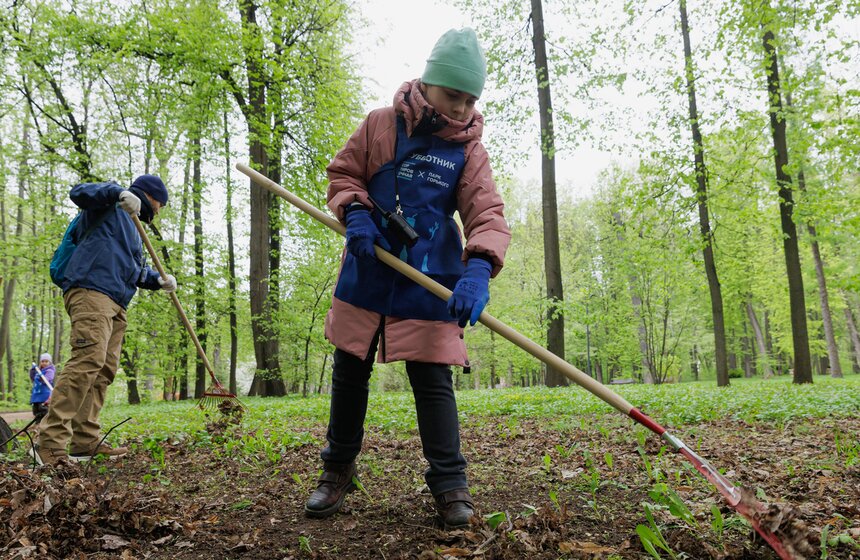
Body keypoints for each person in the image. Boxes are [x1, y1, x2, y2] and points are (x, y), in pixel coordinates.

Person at [304, 28, 511, 528]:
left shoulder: (469, 153)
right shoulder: (379, 125)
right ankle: (337, 469)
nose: (461, 109)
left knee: (433, 380)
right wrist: (353, 212)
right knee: (350, 371)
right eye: (451, 95)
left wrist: (478, 269)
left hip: (430, 280)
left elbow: (486, 215)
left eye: (469, 100)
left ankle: (449, 483)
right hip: (367, 271)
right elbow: (343, 174)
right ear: (428, 82)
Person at [33, 175, 178, 466]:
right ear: (150, 196)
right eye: (160, 203)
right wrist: (116, 192)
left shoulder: (136, 232)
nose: (160, 211)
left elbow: (136, 273)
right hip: (91, 289)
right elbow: (79, 192)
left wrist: (158, 280)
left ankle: (85, 441)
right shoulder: (110, 204)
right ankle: (49, 444)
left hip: (117, 301)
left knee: (104, 369)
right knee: (88, 359)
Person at [30, 353, 56, 421]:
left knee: (43, 409)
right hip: (37, 394)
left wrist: (42, 377)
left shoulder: (50, 370)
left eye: (46, 361)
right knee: (36, 410)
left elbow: (47, 379)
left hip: (45, 394)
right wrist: (33, 371)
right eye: (42, 361)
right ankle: (37, 424)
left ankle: (45, 423)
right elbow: (33, 379)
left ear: (49, 362)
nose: (44, 363)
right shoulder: (38, 371)